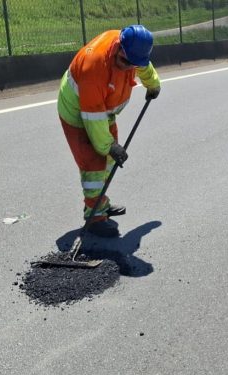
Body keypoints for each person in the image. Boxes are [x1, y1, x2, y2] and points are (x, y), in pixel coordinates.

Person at [57, 24, 161, 238]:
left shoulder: (132, 49)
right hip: (78, 113)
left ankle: (100, 204)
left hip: (101, 110)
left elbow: (142, 65)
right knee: (94, 164)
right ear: (118, 48)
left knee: (109, 160)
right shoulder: (94, 68)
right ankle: (94, 218)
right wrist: (110, 146)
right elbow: (92, 117)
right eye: (125, 63)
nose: (128, 68)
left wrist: (152, 83)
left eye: (133, 64)